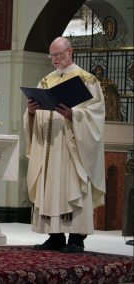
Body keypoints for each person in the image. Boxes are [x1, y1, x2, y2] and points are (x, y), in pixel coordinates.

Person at [24, 37, 106, 253]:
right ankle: (55, 236)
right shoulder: (45, 81)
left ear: (70, 52)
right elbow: (36, 114)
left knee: (72, 187)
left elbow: (96, 115)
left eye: (59, 55)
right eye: (52, 56)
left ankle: (76, 239)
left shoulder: (87, 80)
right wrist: (31, 112)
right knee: (51, 189)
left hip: (72, 147)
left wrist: (74, 115)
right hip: (50, 146)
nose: (55, 60)